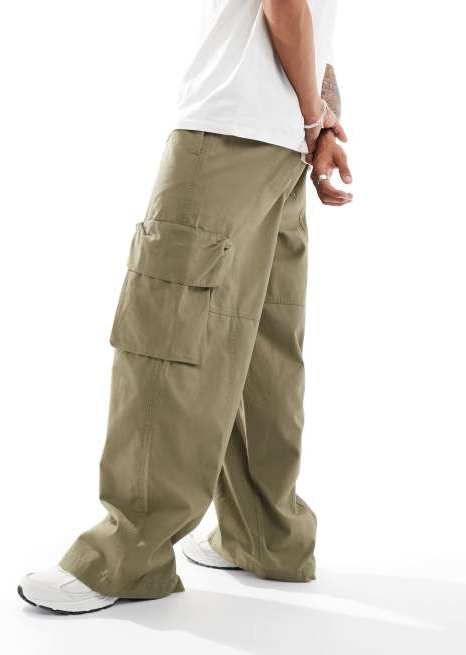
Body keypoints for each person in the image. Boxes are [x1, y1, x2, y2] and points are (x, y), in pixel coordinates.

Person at [18, 0, 353, 614]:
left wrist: (313, 119)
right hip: (282, 148)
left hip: (226, 131)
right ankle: (266, 536)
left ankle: (126, 554)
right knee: (264, 347)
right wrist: (322, 123)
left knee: (167, 338)